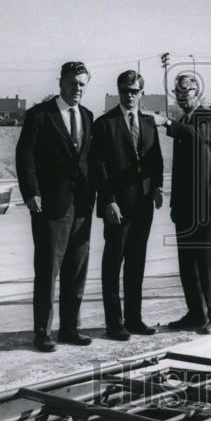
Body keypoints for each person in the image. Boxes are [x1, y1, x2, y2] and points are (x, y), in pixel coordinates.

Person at [15, 61, 95, 351]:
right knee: (48, 270)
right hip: (50, 206)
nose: (78, 89)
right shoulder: (40, 115)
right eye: (73, 83)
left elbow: (88, 161)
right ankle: (42, 333)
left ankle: (70, 328)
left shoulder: (87, 116)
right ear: (61, 82)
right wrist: (31, 192)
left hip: (82, 207)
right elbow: (26, 158)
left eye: (83, 84)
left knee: (77, 271)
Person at [90, 70, 164, 340]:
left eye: (134, 91)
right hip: (117, 207)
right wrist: (108, 200)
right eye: (124, 91)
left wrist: (157, 186)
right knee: (113, 265)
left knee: (137, 264)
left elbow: (155, 158)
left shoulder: (148, 122)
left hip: (143, 205)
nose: (129, 96)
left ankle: (134, 319)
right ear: (118, 92)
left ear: (141, 93)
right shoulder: (104, 124)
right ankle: (114, 324)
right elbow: (98, 168)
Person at [152, 73, 211, 334]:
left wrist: (166, 122)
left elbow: (197, 136)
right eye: (178, 93)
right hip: (184, 206)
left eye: (187, 91)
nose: (182, 96)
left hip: (206, 203)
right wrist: (174, 205)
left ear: (198, 92)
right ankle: (196, 314)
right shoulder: (184, 121)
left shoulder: (210, 118)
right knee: (187, 264)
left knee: (207, 261)